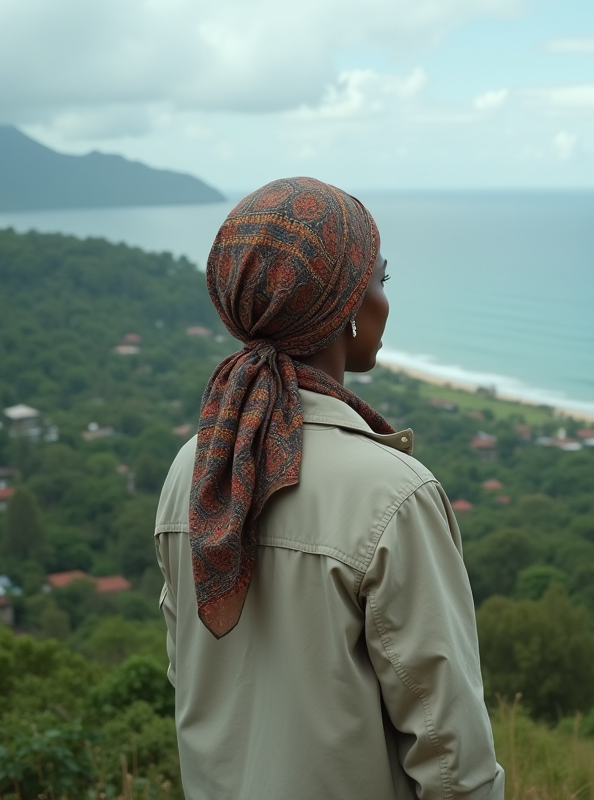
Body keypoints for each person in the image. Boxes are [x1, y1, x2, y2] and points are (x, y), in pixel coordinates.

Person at [154, 177, 504, 799]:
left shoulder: (195, 469)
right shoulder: (392, 496)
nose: (385, 301)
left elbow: (191, 676)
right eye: (380, 280)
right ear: (344, 307)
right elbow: (452, 758)